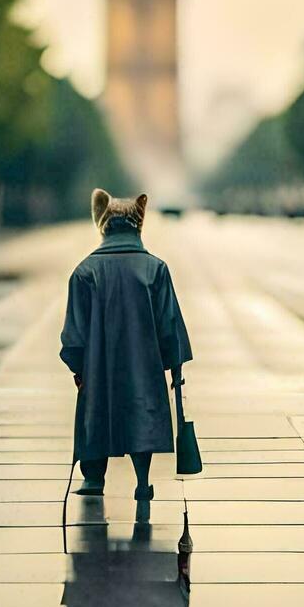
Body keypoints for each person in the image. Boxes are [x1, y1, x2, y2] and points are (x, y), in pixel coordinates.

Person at [59, 189, 193, 500]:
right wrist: (174, 367)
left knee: (95, 413)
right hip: (143, 365)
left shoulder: (84, 272)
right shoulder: (155, 269)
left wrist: (78, 369)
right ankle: (143, 481)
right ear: (138, 225)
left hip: (97, 367)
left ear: (103, 225)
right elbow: (169, 325)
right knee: (140, 415)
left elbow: (73, 334)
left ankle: (94, 478)